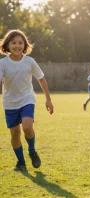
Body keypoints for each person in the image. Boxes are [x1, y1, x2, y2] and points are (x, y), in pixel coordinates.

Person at [0, 29, 54, 171]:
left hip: (27, 99)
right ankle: (21, 162)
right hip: (9, 102)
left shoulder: (29, 61)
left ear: (25, 45)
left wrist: (48, 99)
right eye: (14, 43)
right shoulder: (3, 63)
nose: (17, 46)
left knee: (27, 126)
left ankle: (32, 151)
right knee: (15, 133)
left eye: (20, 43)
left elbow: (41, 79)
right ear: (7, 45)